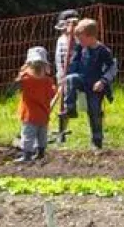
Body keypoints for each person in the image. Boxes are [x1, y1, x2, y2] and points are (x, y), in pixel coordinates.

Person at [62, 18, 118, 149]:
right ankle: (70, 109)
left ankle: (97, 141)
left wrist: (103, 81)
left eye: (81, 39)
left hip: (95, 86)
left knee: (94, 112)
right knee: (71, 78)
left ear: (91, 37)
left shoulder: (103, 51)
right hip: (82, 80)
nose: (79, 42)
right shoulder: (81, 48)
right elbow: (73, 64)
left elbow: (112, 68)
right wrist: (67, 73)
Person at [15, 47, 56, 163]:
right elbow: (52, 94)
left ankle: (27, 155)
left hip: (29, 115)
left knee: (28, 135)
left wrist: (21, 72)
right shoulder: (48, 81)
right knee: (42, 135)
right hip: (44, 114)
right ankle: (41, 153)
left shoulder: (25, 80)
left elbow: (14, 87)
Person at [51, 9, 80, 142]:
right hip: (62, 76)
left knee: (71, 104)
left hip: (75, 77)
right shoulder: (61, 40)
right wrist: (60, 76)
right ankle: (61, 132)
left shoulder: (78, 41)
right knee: (61, 105)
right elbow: (59, 59)